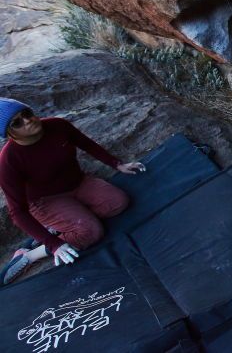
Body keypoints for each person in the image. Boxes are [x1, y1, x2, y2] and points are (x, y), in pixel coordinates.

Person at [0, 99, 145, 284]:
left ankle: (59, 226)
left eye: (26, 114)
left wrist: (117, 164)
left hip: (79, 183)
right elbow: (17, 212)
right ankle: (30, 255)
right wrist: (55, 245)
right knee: (91, 231)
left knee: (118, 202)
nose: (27, 121)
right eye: (17, 123)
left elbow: (87, 144)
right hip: (45, 201)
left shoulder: (57, 125)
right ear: (9, 133)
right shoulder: (8, 160)